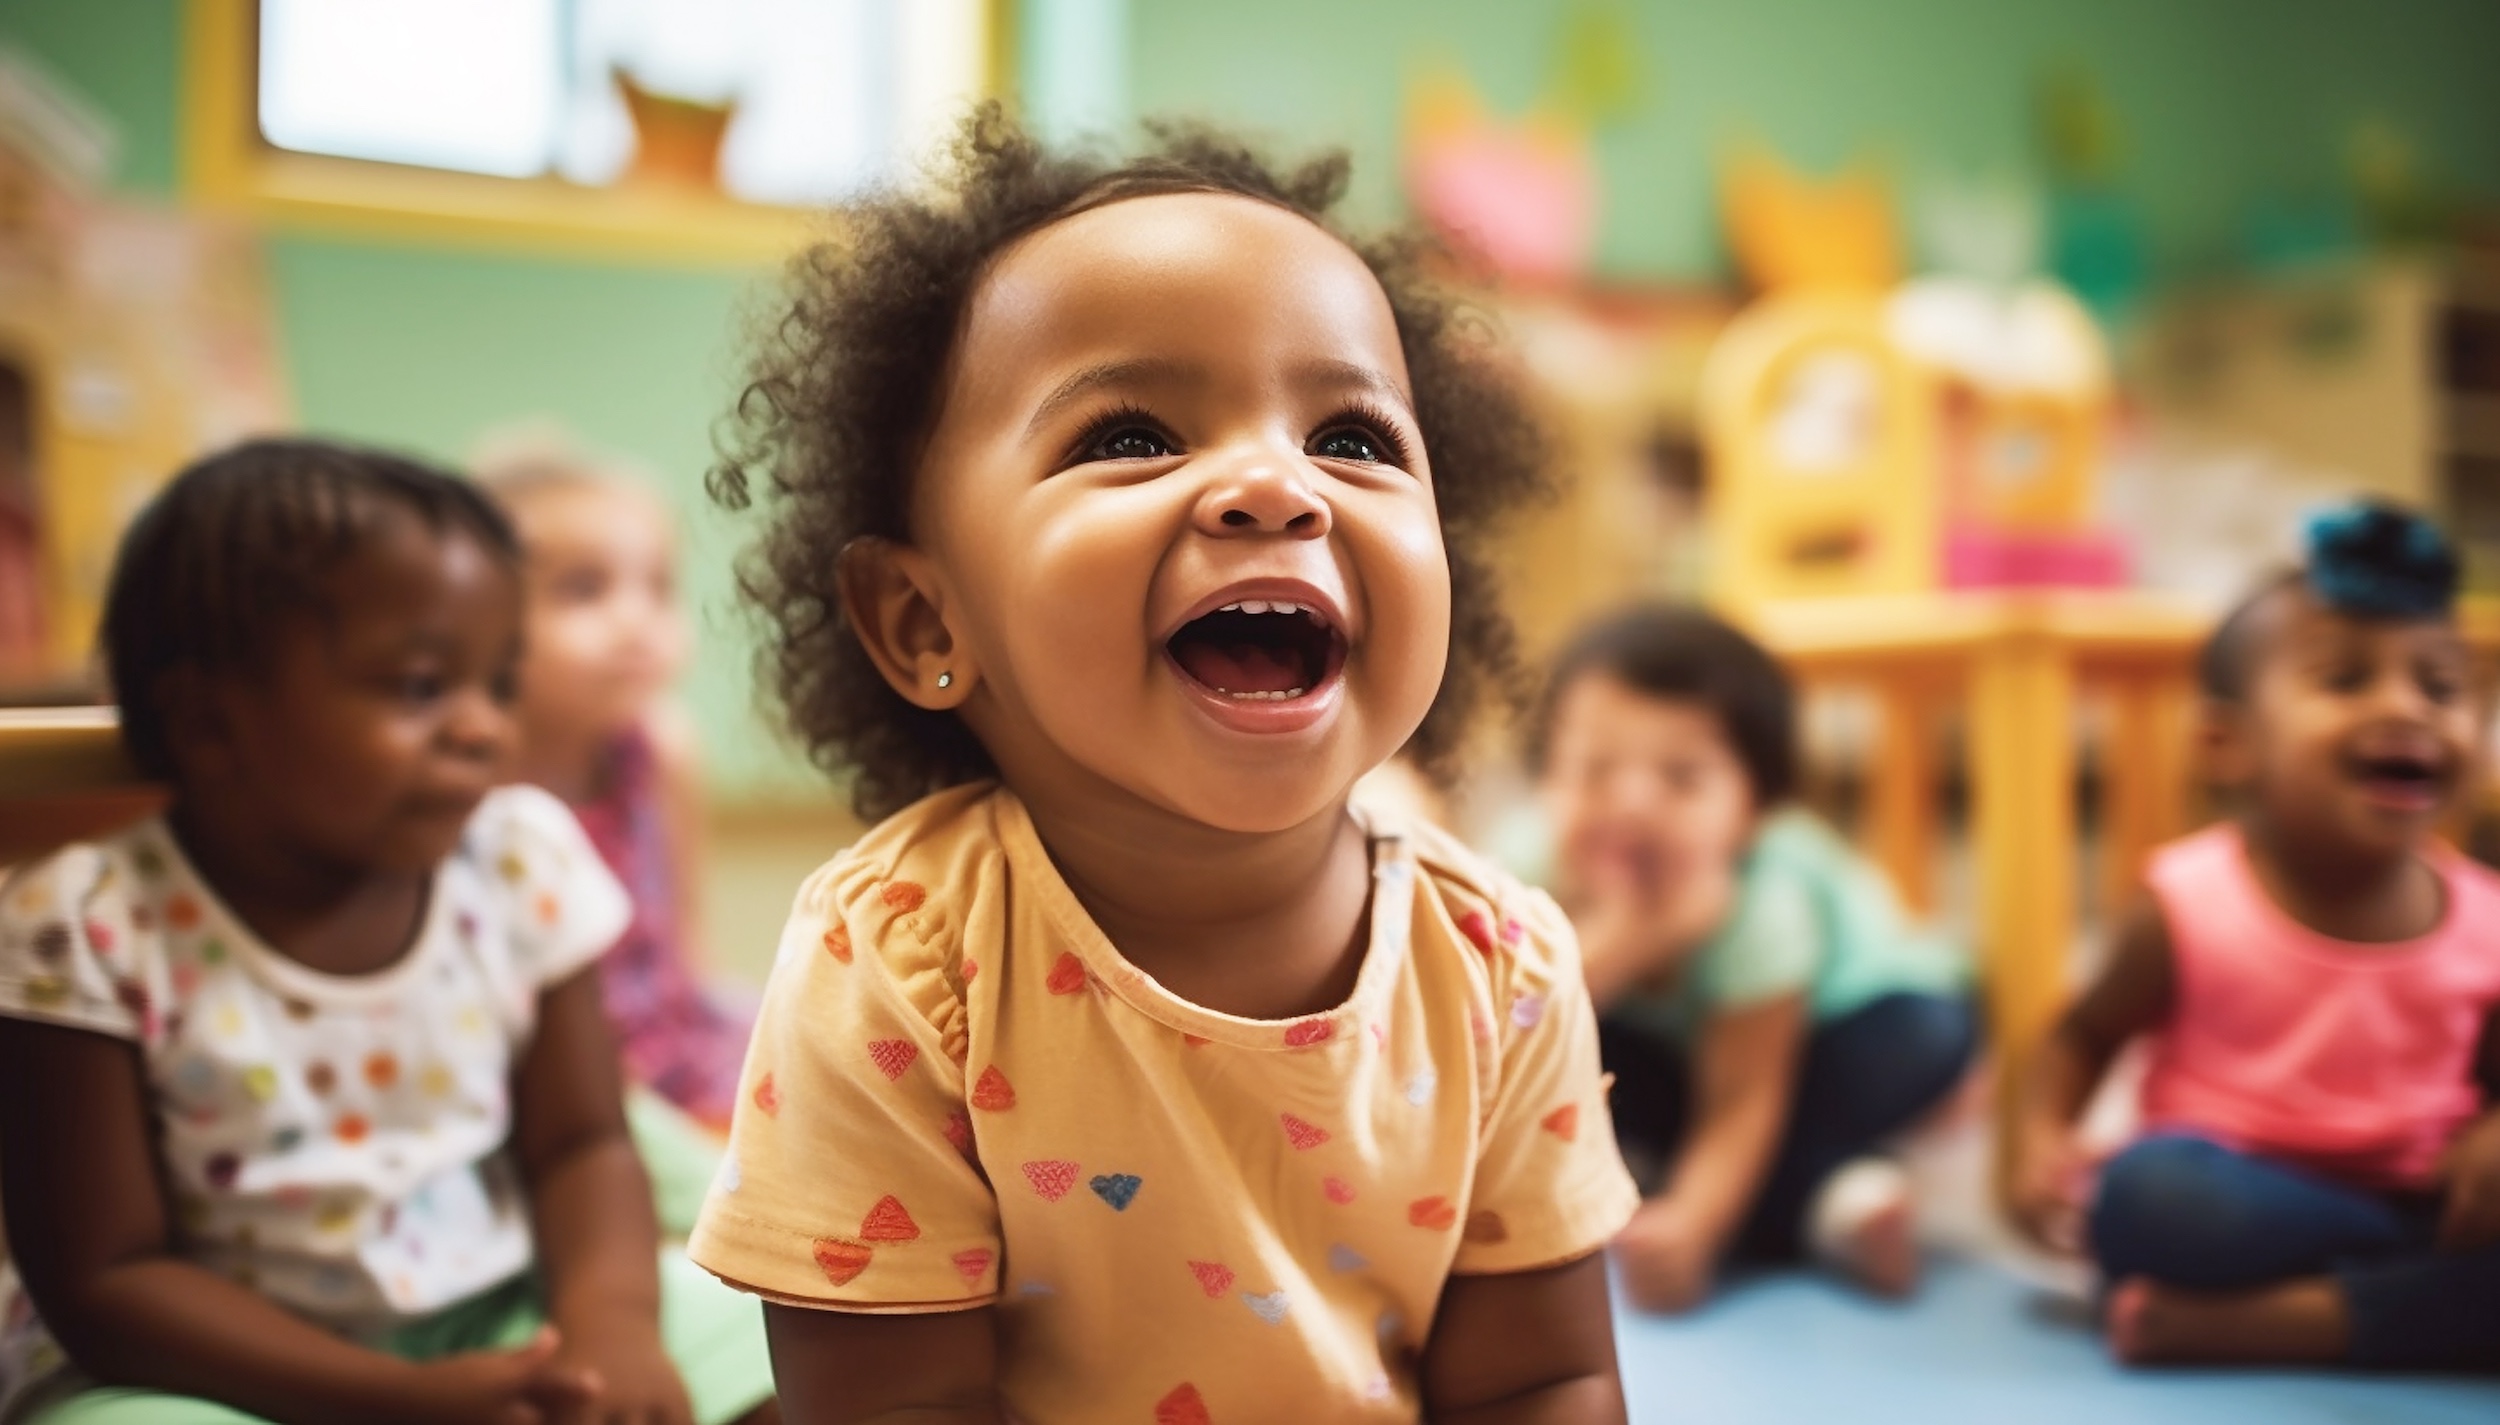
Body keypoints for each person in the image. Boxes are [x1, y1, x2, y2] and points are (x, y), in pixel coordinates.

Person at [685, 110, 1642, 1425]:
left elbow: (1541, 1377)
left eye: (1352, 439)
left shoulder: (1497, 969)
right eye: (1131, 433)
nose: (1274, 486)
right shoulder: (902, 962)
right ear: (926, 621)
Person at [0, 440, 776, 1424]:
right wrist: (395, 1401)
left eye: (498, 683)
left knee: (781, 1336)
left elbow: (583, 1143)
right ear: (209, 721)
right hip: (206, 1368)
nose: (483, 728)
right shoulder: (84, 924)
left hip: (497, 1311)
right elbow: (104, 1281)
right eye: (420, 687)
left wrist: (609, 1330)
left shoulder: (516, 862)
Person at [2010, 501, 2500, 1371]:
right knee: (2146, 1194)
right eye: (2346, 680)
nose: (2406, 707)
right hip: (2244, 1199)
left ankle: (2249, 1323)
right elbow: (2083, 1034)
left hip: (2427, 1201)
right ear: (2227, 743)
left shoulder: (2486, 917)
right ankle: (2396, 1303)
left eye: (2441, 685)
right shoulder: (2188, 900)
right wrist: (2039, 1139)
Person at [1529, 606, 1975, 1313]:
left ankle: (1766, 1185)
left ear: (1757, 809)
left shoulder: (1763, 899)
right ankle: (1834, 1194)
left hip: (1865, 1017)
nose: (1633, 802)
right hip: (1682, 1048)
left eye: (1682, 776)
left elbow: (1744, 1097)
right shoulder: (1523, 866)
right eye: (1594, 768)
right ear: (1543, 778)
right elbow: (1499, 1034)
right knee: (1570, 1046)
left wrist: (1698, 1225)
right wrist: (1636, 934)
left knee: (1875, 1057)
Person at [479, 446, 753, 1234]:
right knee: (722, 1198)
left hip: (672, 1043)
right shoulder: (477, 777)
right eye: (583, 589)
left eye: (657, 587)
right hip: (556, 1077)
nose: (636, 620)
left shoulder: (660, 750)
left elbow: (687, 950)